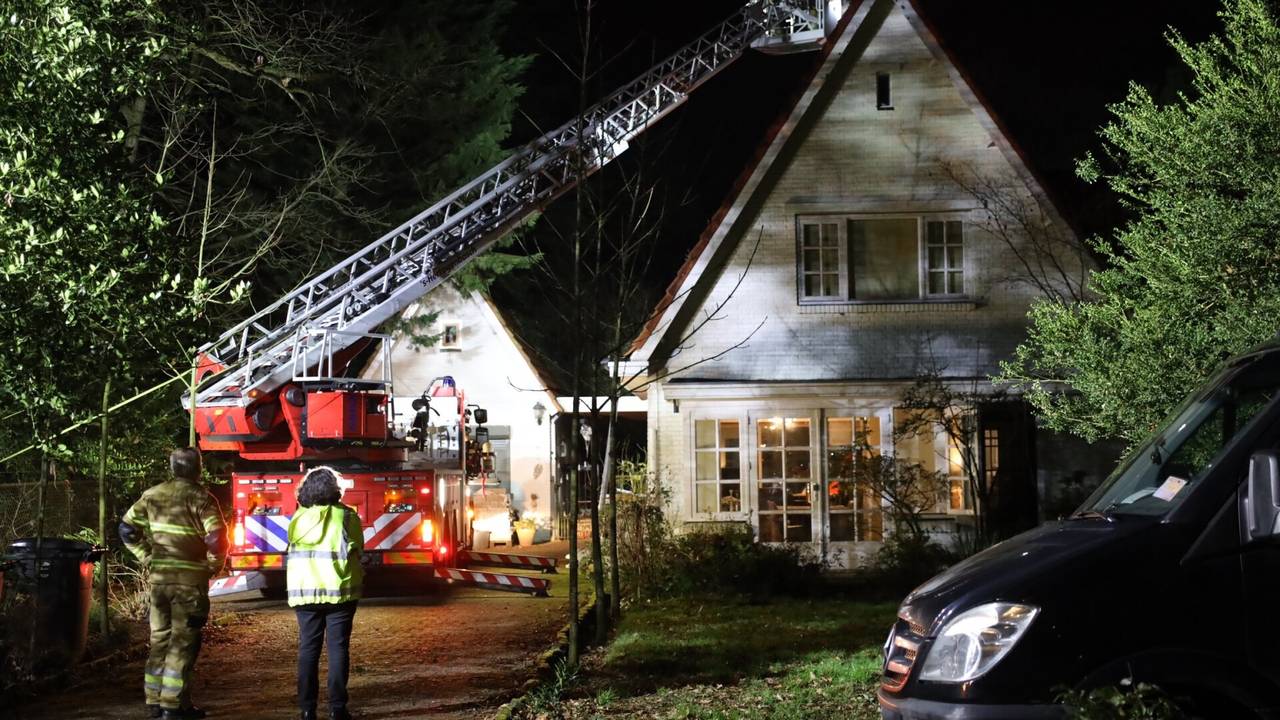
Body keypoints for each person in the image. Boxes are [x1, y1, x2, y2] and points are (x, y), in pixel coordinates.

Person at [119, 447, 227, 720]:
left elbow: (127, 529)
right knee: (183, 643)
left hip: (160, 583)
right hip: (189, 585)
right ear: (198, 469)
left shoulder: (152, 495)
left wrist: (147, 557)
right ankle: (173, 706)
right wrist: (213, 566)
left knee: (159, 640)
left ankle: (154, 702)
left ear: (172, 469)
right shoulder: (202, 499)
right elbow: (216, 538)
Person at [288, 467, 364, 720]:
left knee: (308, 649)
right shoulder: (347, 517)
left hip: (304, 593)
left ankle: (307, 709)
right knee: (338, 648)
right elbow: (358, 547)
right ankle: (337, 709)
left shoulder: (298, 518)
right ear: (336, 490)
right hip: (339, 591)